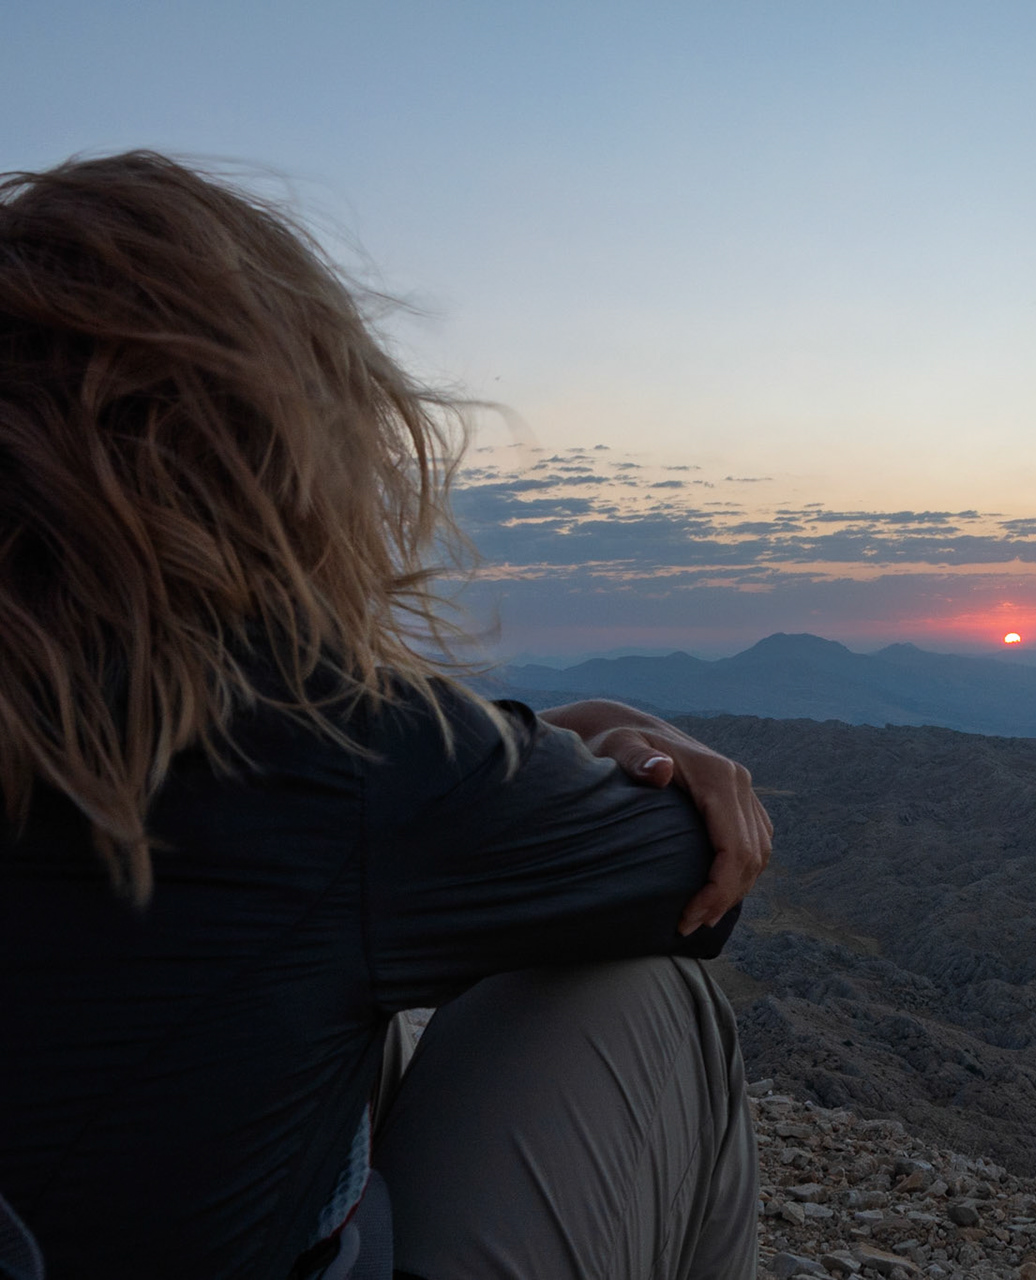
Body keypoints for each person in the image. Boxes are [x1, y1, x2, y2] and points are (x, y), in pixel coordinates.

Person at [0, 151, 773, 1280]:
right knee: (645, 988)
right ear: (276, 437)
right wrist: (623, 729)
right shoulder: (312, 738)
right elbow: (693, 887)